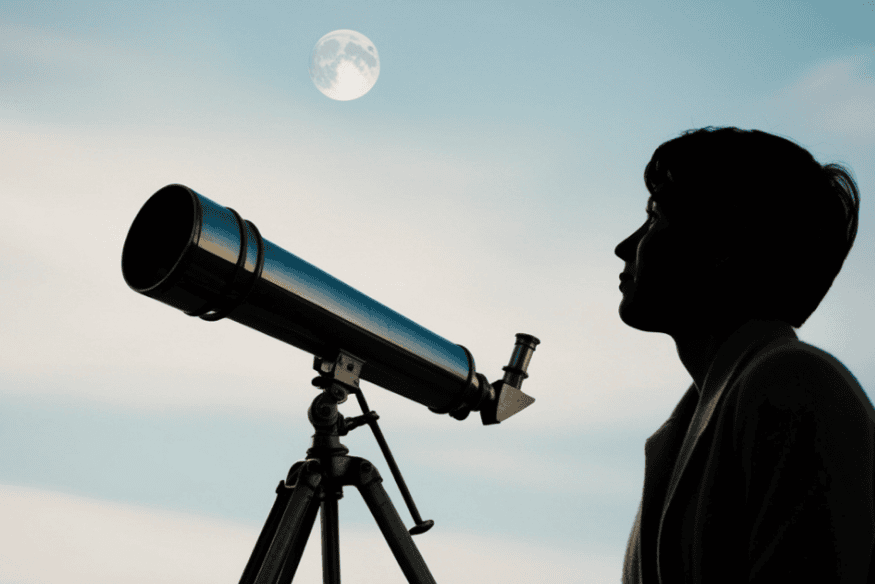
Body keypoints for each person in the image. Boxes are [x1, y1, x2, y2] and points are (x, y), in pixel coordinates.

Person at [614, 126, 872, 583]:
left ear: (724, 243)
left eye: (655, 216)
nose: (624, 246)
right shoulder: (685, 432)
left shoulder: (795, 387)